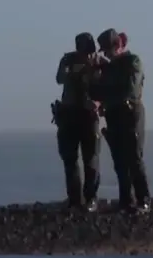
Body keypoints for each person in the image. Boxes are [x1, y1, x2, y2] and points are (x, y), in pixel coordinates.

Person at [96, 28, 150, 212]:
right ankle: (126, 200)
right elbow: (100, 91)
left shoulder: (132, 62)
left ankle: (143, 200)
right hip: (114, 114)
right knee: (119, 160)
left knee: (134, 158)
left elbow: (130, 90)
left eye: (108, 50)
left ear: (117, 46)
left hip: (130, 113)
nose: (106, 55)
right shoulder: (110, 68)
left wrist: (108, 96)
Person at [53, 32, 102, 211]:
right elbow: (60, 78)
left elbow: (106, 86)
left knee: (91, 159)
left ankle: (91, 198)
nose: (88, 55)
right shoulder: (68, 61)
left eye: (90, 52)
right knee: (70, 159)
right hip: (69, 115)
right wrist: (76, 70)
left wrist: (97, 102)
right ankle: (75, 199)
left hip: (89, 116)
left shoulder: (99, 63)